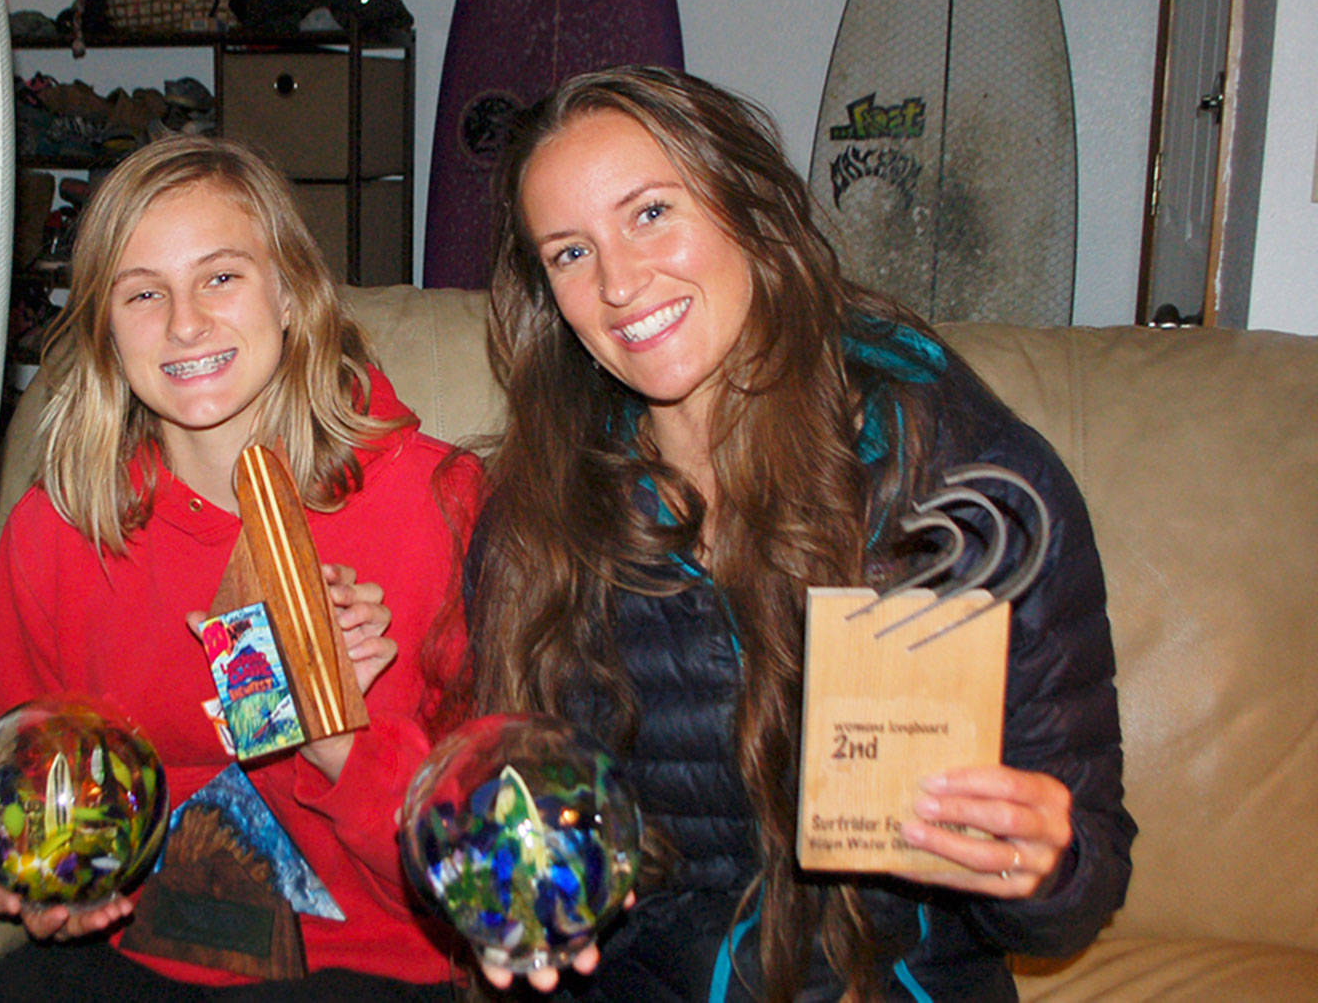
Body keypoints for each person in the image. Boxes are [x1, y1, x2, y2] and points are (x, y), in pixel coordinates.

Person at [462, 67, 1132, 1001]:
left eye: (651, 213)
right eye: (570, 253)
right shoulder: (538, 516)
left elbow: (1082, 887)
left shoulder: (967, 487)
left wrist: (1042, 865)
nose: (619, 281)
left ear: (750, 208)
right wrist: (521, 895)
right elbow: (541, 809)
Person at [0, 136, 475, 1002]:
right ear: (104, 328)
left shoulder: (438, 500)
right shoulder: (52, 532)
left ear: (289, 292)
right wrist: (63, 879)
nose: (185, 323)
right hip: (133, 959)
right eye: (142, 293)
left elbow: (481, 866)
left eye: (220, 277)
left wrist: (338, 744)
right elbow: (49, 792)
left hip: (361, 964)